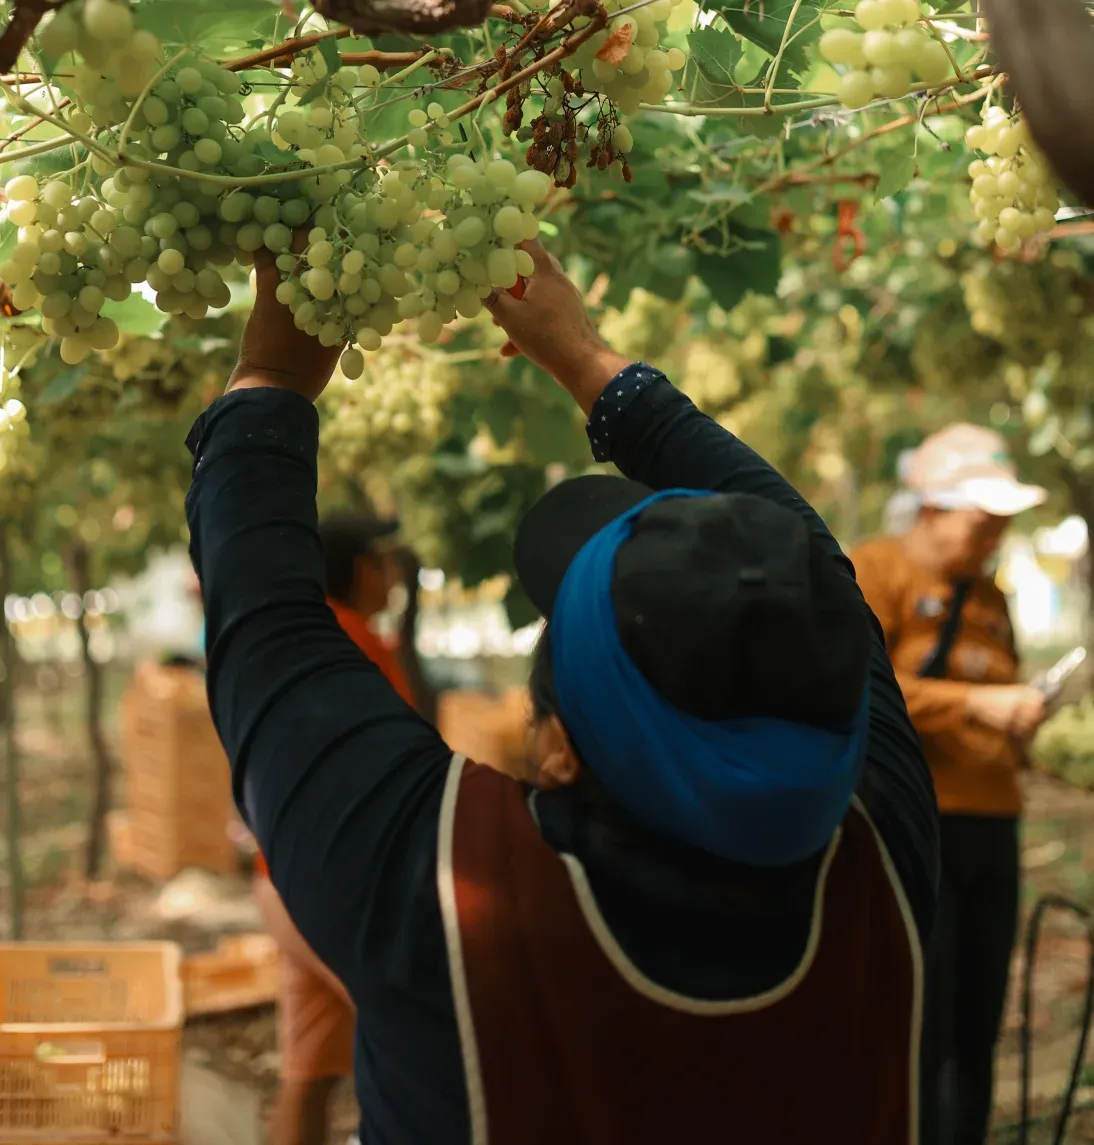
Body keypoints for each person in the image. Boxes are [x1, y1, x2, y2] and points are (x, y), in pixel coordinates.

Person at [186, 239, 938, 1145]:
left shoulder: (445, 889)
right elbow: (265, 626)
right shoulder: (882, 860)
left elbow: (262, 624)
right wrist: (588, 363)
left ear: (557, 748)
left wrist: (273, 366)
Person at [852, 425, 1049, 1145]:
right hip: (913, 822)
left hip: (994, 823)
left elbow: (999, 685)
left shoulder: (991, 594)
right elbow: (857, 683)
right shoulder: (873, 571)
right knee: (920, 1021)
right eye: (981, 519)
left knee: (977, 1018)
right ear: (931, 507)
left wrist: (1023, 719)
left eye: (1002, 522)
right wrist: (976, 705)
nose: (993, 535)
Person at [252, 514, 414, 1145]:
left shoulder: (302, 638)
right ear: (356, 569)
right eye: (382, 561)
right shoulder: (356, 646)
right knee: (413, 1035)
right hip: (335, 888)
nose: (392, 575)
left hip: (286, 880)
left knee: (310, 1070)